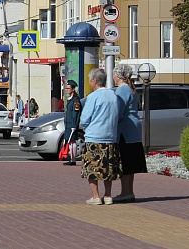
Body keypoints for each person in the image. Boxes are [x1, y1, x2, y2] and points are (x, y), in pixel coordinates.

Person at [79, 68, 120, 205]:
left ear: (95, 80)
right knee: (108, 167)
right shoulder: (113, 95)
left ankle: (96, 196)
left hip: (94, 136)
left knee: (92, 168)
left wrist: (86, 127)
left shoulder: (93, 97)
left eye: (90, 80)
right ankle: (108, 195)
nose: (90, 82)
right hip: (110, 137)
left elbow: (85, 119)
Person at [113, 63, 146, 203]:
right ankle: (129, 191)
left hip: (125, 130)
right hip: (133, 129)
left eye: (114, 74)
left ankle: (125, 192)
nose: (113, 77)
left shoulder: (122, 90)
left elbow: (118, 111)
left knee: (125, 161)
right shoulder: (131, 89)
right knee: (131, 162)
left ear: (118, 75)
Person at [62, 80, 82, 166]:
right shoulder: (70, 100)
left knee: (72, 141)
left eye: (68, 88)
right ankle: (71, 159)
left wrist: (74, 125)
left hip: (72, 124)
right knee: (70, 142)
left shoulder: (76, 100)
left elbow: (76, 113)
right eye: (66, 88)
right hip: (68, 123)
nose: (67, 90)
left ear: (73, 89)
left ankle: (73, 160)